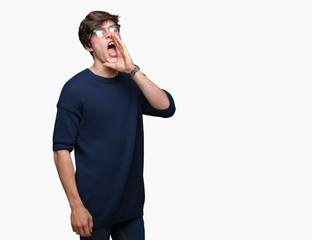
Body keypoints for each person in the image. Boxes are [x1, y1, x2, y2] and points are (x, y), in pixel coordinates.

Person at [52, 10, 176, 240]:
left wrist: (132, 70)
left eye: (114, 29)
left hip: (131, 208)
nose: (110, 35)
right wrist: (76, 206)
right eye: (101, 31)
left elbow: (166, 108)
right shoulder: (74, 89)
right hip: (92, 210)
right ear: (88, 46)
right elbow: (61, 150)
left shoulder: (132, 81)